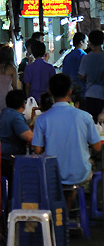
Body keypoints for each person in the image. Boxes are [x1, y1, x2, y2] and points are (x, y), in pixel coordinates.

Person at [32, 74, 103, 207]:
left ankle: (60, 214)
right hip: (80, 174)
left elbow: (37, 149)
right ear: (70, 91)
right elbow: (98, 147)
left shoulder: (42, 119)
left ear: (49, 91)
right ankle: (67, 212)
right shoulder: (85, 117)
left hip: (52, 175)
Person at [0, 89, 33, 165]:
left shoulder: (5, 112)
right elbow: (29, 137)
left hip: (0, 152)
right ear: (23, 104)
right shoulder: (15, 117)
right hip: (8, 158)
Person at [79, 29, 104, 123]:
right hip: (102, 95)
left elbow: (81, 75)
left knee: (91, 123)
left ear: (90, 42)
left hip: (90, 93)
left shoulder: (86, 57)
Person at [23, 39, 55, 103]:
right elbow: (53, 85)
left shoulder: (29, 67)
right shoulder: (50, 67)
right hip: (47, 98)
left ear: (33, 52)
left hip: (33, 98)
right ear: (44, 52)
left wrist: (28, 99)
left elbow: (27, 86)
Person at [62, 32, 88, 104]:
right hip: (83, 91)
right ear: (81, 42)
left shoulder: (67, 57)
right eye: (86, 41)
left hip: (70, 91)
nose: (87, 43)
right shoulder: (84, 56)